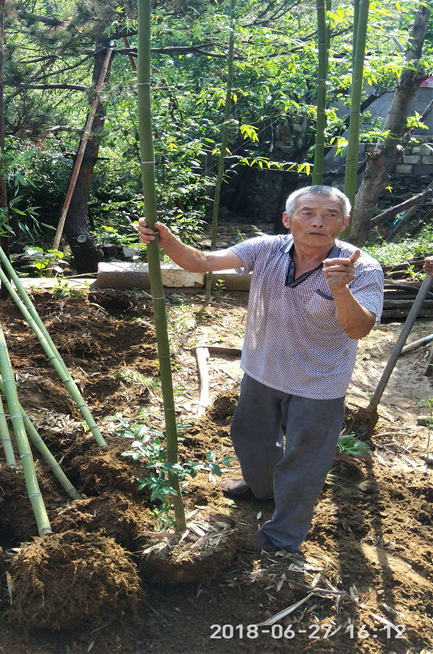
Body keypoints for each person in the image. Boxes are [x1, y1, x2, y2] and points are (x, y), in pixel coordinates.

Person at [137, 185, 384, 553]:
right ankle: (262, 488)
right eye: (307, 212)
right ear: (288, 219)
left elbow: (358, 329)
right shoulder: (267, 248)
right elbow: (202, 263)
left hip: (318, 384)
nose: (318, 222)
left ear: (343, 223)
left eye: (330, 215)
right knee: (250, 437)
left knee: (304, 462)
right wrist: (165, 239)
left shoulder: (360, 267)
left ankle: (283, 534)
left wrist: (339, 289)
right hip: (263, 368)